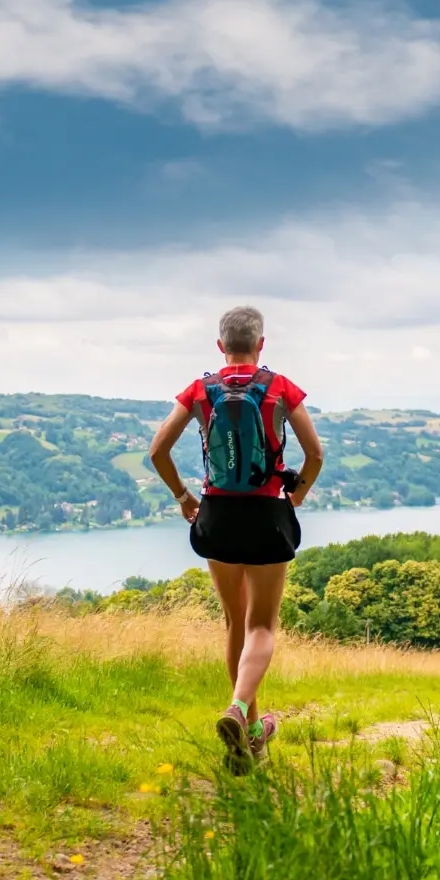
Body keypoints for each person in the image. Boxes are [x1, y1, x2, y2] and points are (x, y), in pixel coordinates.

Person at [148, 306, 323, 772]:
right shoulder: (280, 387)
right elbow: (314, 455)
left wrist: (184, 497)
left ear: (220, 345)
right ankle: (240, 708)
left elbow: (158, 450)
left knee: (235, 624)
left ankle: (248, 733)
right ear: (261, 344)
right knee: (261, 626)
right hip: (267, 515)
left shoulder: (200, 390)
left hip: (218, 514)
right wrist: (296, 495)